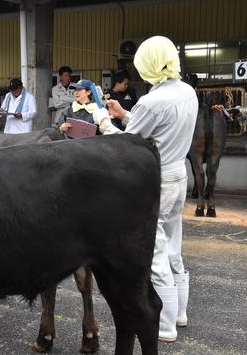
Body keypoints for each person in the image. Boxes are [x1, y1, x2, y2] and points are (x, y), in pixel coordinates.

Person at [95, 36, 198, 343]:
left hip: (157, 178)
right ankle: (179, 314)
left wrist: (103, 121)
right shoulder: (187, 92)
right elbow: (159, 128)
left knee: (155, 249)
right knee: (174, 244)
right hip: (179, 172)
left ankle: (163, 324)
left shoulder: (151, 101)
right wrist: (125, 114)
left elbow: (128, 145)